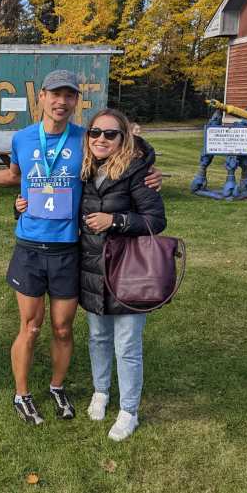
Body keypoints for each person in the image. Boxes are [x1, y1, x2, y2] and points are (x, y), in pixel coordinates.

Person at [0, 69, 161, 426]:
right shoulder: (22, 138)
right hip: (30, 246)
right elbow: (18, 176)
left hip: (68, 249)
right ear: (42, 98)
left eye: (69, 96)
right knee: (30, 326)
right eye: (55, 94)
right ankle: (22, 393)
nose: (61, 102)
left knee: (63, 328)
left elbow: (129, 147)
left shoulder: (85, 137)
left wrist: (149, 170)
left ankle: (57, 386)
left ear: (76, 102)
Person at [78, 108, 166, 441]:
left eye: (110, 134)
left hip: (129, 271)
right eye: (95, 132)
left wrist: (115, 221)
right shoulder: (85, 170)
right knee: (98, 337)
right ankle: (101, 391)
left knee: (127, 345)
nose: (101, 139)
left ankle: (129, 410)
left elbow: (156, 221)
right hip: (92, 268)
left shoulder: (137, 170)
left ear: (123, 138)